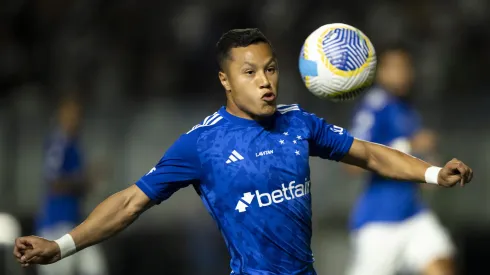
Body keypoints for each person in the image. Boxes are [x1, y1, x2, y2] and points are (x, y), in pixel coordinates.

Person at [13, 29, 472, 275]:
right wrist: (61, 244)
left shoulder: (298, 123)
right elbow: (131, 201)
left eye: (270, 68)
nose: (265, 81)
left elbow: (370, 155)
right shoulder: (202, 143)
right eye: (250, 72)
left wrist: (433, 174)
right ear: (225, 81)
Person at [345, 46, 457, 275]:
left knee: (443, 267)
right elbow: (350, 164)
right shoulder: (374, 106)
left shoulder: (407, 109)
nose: (402, 73)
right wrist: (410, 145)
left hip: (413, 214)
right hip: (380, 222)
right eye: (395, 67)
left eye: (406, 67)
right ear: (381, 72)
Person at [35, 96, 107, 275]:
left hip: (75, 223)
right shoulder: (59, 143)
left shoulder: (75, 144)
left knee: (95, 268)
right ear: (62, 116)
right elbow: (54, 181)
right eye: (71, 115)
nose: (76, 120)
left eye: (78, 115)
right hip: (56, 224)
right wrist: (86, 179)